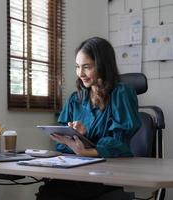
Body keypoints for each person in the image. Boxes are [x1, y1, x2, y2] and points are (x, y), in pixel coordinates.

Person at [36, 37, 141, 200]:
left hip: (107, 175)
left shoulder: (121, 93)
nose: (80, 73)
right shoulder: (75, 99)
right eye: (77, 67)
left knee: (53, 194)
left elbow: (120, 144)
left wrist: (85, 150)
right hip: (76, 172)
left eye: (87, 67)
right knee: (49, 191)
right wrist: (76, 137)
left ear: (102, 65)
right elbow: (63, 146)